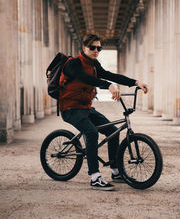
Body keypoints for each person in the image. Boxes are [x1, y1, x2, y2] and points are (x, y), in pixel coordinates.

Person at [59, 34, 148, 191]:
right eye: (92, 47)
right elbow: (85, 78)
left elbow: (109, 75)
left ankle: (115, 171)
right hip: (70, 108)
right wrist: (108, 86)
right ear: (84, 48)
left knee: (112, 131)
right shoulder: (73, 64)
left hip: (86, 108)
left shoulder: (94, 65)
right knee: (92, 132)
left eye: (99, 48)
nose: (96, 50)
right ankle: (95, 177)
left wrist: (135, 82)